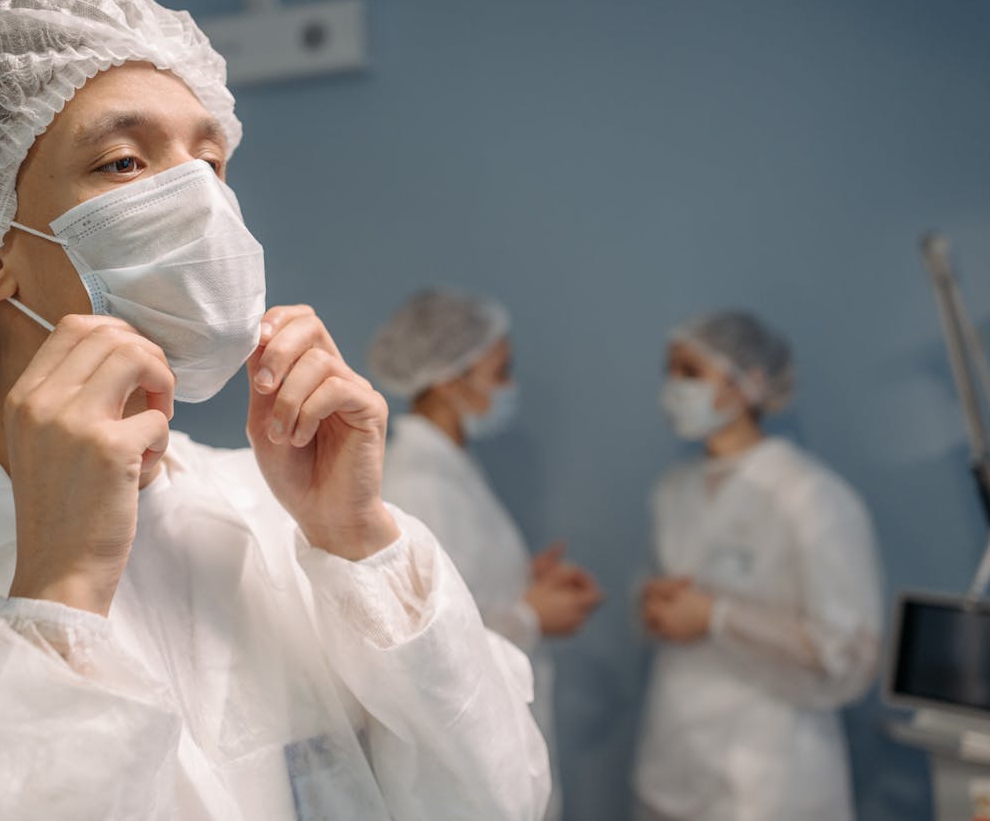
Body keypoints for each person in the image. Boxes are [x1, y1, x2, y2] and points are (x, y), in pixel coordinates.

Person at [0, 0, 550, 819]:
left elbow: (492, 800)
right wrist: (59, 594)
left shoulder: (281, 519)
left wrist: (361, 543)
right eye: (124, 162)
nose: (201, 207)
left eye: (212, 164)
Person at [635, 309, 883, 821]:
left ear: (750, 382)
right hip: (675, 753)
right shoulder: (673, 490)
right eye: (671, 371)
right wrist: (656, 606)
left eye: (691, 372)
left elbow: (849, 650)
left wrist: (717, 617)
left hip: (772, 771)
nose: (675, 386)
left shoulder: (810, 496)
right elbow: (672, 587)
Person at [368, 288, 603, 821]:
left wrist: (522, 579)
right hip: (460, 762)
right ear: (451, 380)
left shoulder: (449, 467)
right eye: (501, 371)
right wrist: (530, 615)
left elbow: (457, 584)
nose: (510, 387)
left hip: (490, 737)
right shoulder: (419, 482)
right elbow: (419, 641)